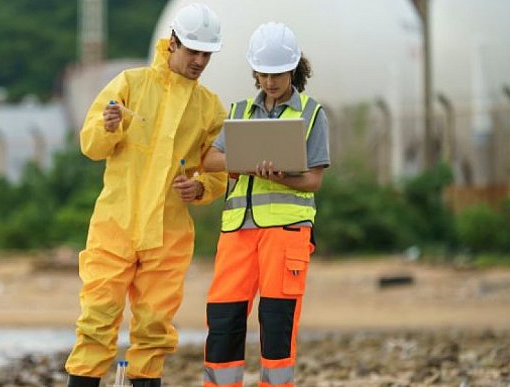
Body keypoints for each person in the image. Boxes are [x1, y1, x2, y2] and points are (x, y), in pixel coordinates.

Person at [64, 3, 229, 387]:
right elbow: (90, 145)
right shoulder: (130, 84)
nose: (200, 60)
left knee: (155, 330)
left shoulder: (210, 108)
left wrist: (200, 187)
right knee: (96, 321)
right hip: (115, 228)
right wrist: (108, 127)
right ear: (173, 43)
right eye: (193, 51)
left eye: (207, 54)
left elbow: (219, 169)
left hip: (167, 237)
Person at [200, 22, 331, 387]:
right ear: (254, 70)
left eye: (277, 73)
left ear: (293, 69)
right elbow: (210, 160)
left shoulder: (311, 113)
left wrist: (276, 176)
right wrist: (245, 160)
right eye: (263, 73)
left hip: (287, 233)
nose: (270, 81)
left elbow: (315, 179)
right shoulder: (240, 110)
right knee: (224, 318)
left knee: (276, 323)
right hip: (237, 232)